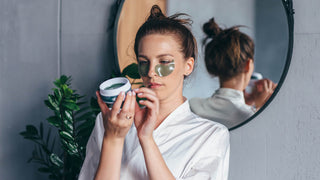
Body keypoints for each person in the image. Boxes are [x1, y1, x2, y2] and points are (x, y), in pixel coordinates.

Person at [79, 5, 229, 180]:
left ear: (187, 66)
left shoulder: (210, 136)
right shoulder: (110, 122)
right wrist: (113, 139)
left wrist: (146, 139)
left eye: (164, 61)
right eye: (144, 62)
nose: (151, 72)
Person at [190, 18, 276, 129]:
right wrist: (260, 109)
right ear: (248, 65)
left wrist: (247, 104)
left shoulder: (193, 106)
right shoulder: (250, 117)